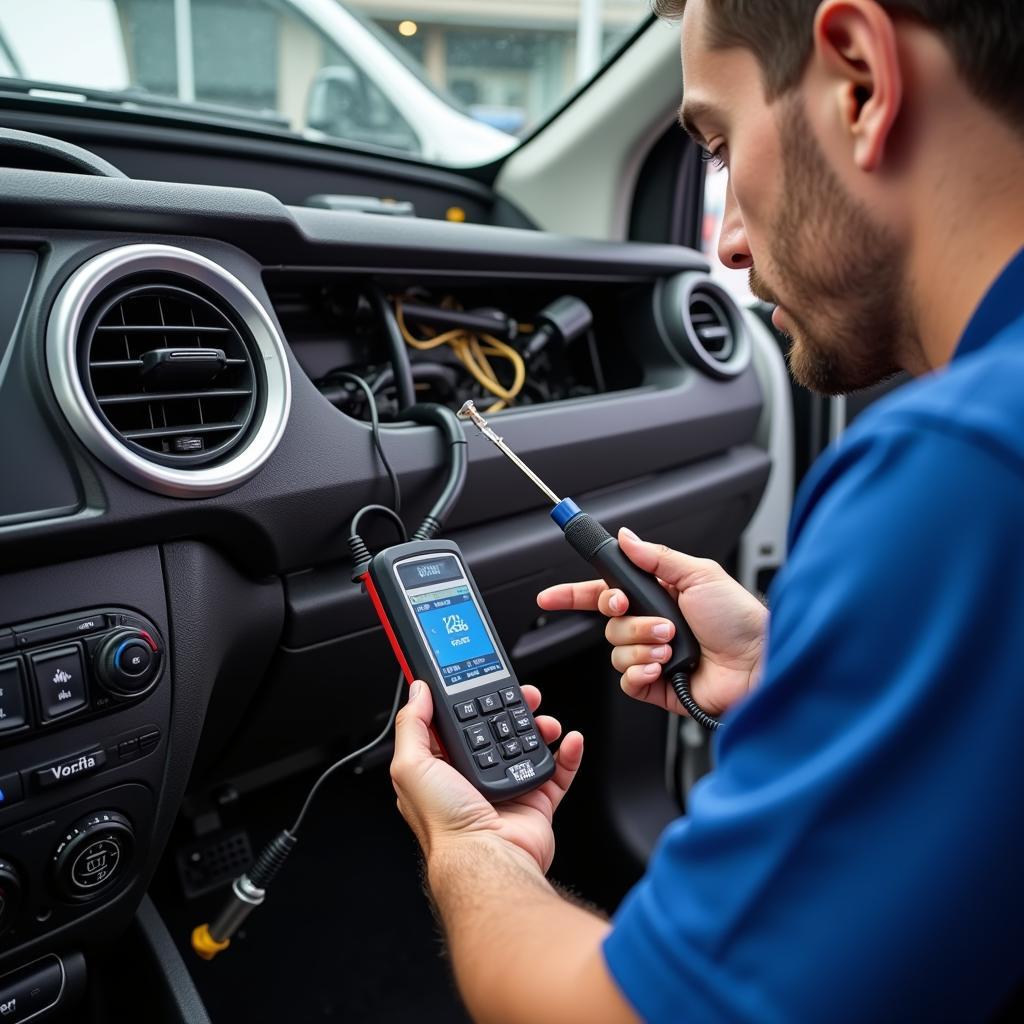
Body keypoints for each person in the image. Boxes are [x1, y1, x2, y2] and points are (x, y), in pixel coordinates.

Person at [389, 0, 1024, 1019]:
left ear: (858, 81)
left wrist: (474, 850)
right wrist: (799, 669)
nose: (724, 246)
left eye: (720, 149)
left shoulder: (962, 469)